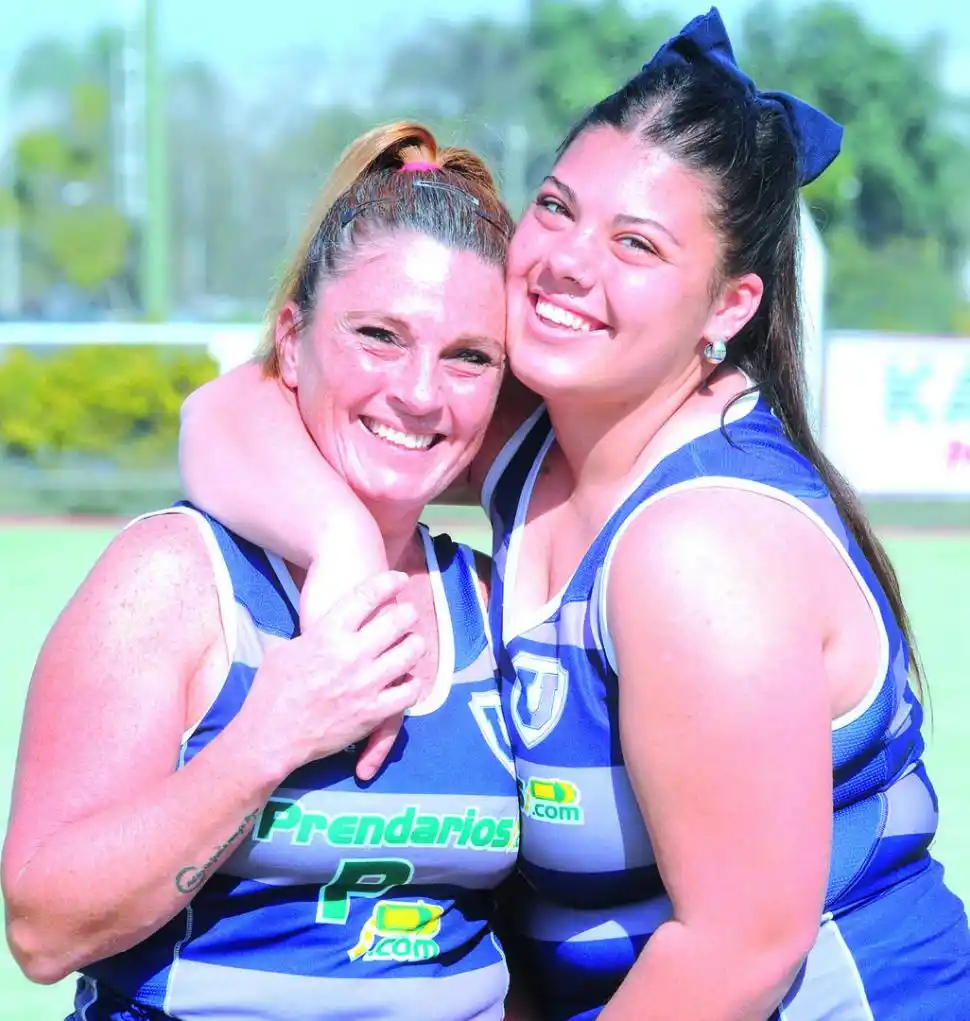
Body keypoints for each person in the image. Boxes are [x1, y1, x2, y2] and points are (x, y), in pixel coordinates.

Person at [174, 9, 970, 1020]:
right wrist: (338, 547)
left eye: (635, 243)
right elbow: (233, 409)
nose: (567, 262)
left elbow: (739, 950)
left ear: (729, 308)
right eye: (556, 208)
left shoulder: (702, 544)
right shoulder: (545, 440)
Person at [2, 122, 526, 1021]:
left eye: (469, 356)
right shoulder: (175, 577)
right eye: (379, 335)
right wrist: (271, 735)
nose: (420, 392)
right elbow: (45, 929)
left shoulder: (495, 599)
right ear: (292, 340)